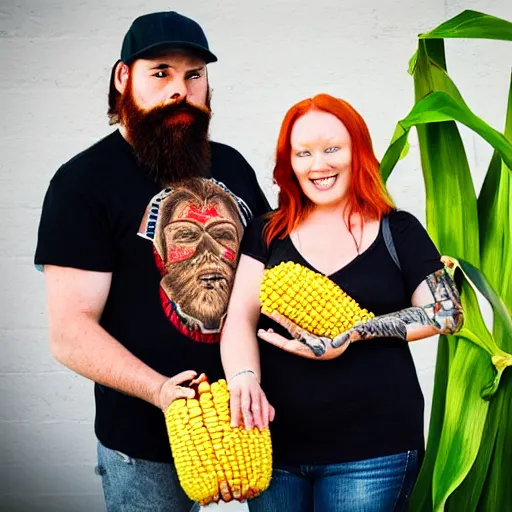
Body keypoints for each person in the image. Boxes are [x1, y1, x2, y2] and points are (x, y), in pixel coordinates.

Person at [34, 11, 269, 512]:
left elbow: (268, 276)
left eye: (194, 74)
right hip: (142, 446)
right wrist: (161, 391)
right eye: (160, 72)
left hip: (248, 425)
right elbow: (69, 331)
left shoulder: (232, 164)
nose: (179, 90)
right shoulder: (83, 182)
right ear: (124, 79)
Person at [220, 94, 463, 512]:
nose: (319, 165)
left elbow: (447, 313)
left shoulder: (398, 229)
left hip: (374, 451)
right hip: (275, 447)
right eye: (304, 153)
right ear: (289, 162)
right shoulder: (267, 232)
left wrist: (351, 333)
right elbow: (240, 318)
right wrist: (243, 378)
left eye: (332, 148)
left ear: (357, 151)